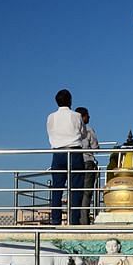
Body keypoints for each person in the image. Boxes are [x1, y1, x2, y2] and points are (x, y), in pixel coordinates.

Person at [45, 89, 84, 225]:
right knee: (76, 189)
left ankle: (56, 220)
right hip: (74, 152)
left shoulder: (51, 117)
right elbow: (82, 133)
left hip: (58, 153)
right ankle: (73, 220)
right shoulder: (77, 116)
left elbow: (49, 132)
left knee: (57, 188)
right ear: (70, 100)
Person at [75, 106, 99, 225]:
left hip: (74, 163)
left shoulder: (73, 130)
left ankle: (74, 219)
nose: (89, 117)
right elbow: (95, 147)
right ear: (83, 116)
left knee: (75, 191)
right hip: (88, 162)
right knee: (86, 193)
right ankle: (84, 221)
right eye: (87, 115)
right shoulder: (88, 129)